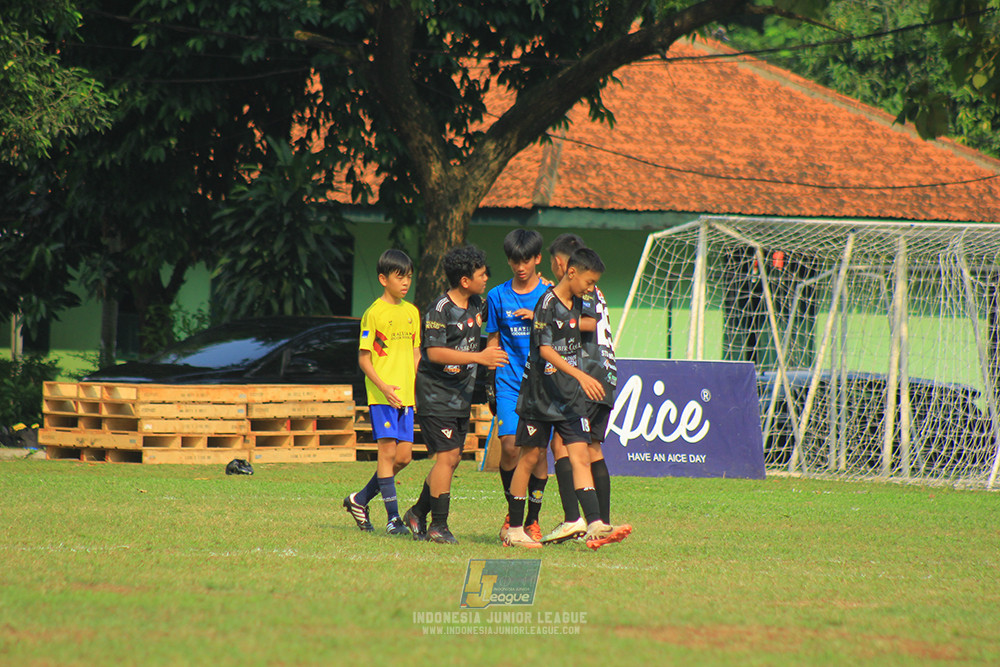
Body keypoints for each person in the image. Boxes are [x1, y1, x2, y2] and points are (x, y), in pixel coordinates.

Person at [502, 247, 625, 548]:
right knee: (530, 457)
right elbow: (544, 349)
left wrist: (578, 377)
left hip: (569, 395)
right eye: (589, 281)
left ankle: (595, 522)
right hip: (541, 394)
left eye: (594, 283)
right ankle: (514, 528)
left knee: (580, 453)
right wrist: (582, 375)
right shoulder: (547, 302)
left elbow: (585, 330)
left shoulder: (580, 302)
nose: (591, 288)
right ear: (572, 272)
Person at [402, 245, 508, 544]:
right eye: (481, 274)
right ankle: (438, 526)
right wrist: (480, 358)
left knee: (452, 459)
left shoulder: (477, 304)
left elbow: (503, 312)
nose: (486, 277)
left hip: (459, 396)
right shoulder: (439, 310)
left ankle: (416, 514)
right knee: (447, 457)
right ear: (464, 280)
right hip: (435, 394)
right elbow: (434, 352)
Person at [540, 237, 631, 549]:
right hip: (605, 373)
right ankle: (599, 524)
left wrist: (545, 318)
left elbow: (588, 323)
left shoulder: (582, 291)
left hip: (588, 374)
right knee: (591, 448)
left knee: (565, 444)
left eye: (555, 262)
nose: (554, 268)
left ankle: (574, 518)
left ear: (567, 265)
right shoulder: (592, 288)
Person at [343, 249, 421, 535]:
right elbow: (364, 359)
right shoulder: (373, 314)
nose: (405, 282)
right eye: (400, 276)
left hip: (406, 398)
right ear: (383, 278)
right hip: (382, 396)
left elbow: (415, 352)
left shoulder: (412, 312)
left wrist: (414, 385)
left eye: (409, 277)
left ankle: (359, 500)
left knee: (404, 458)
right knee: (387, 453)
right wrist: (384, 387)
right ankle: (393, 520)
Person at [485, 229, 551, 543]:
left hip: (543, 384)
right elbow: (494, 340)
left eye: (526, 260)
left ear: (537, 258)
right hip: (509, 382)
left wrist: (540, 316)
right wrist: (490, 372)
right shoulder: (497, 296)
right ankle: (513, 516)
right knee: (510, 447)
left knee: (537, 453)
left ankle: (532, 521)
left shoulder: (551, 294)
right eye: (514, 260)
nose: (520, 266)